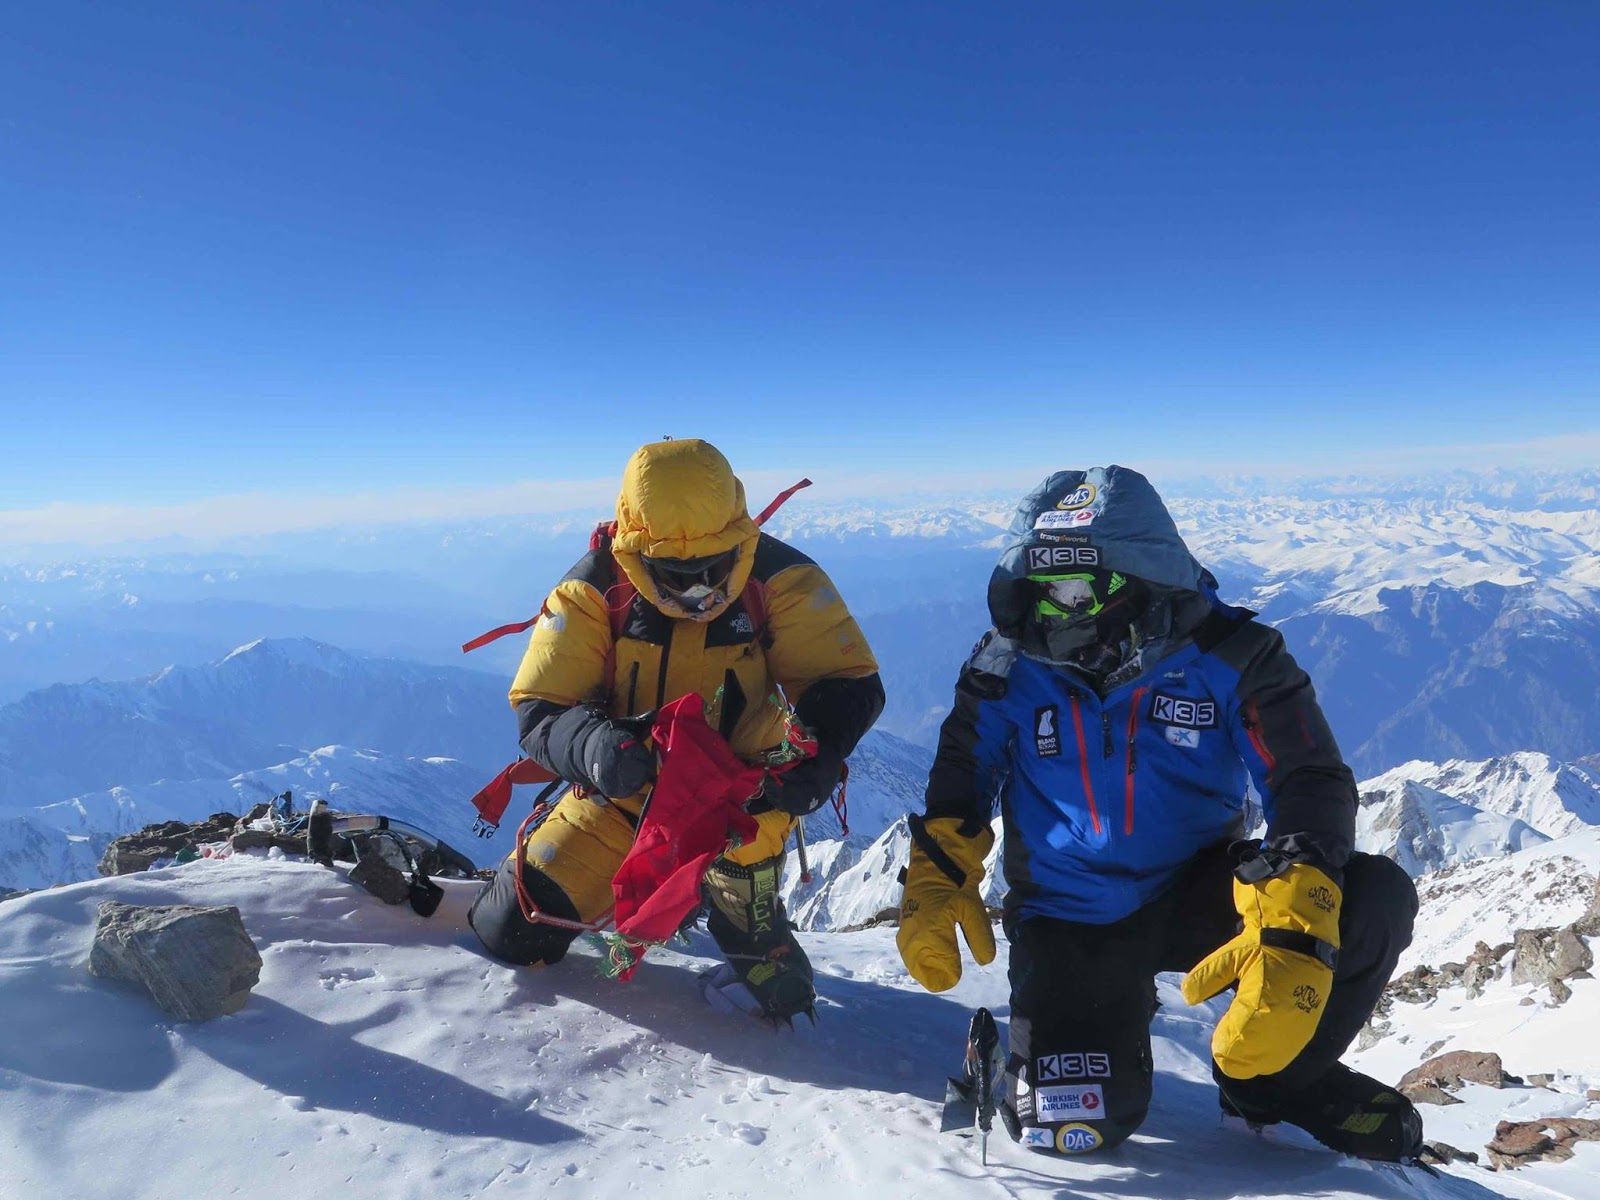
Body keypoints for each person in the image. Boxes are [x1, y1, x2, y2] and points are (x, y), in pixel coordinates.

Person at [896, 466, 1422, 1161]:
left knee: (1369, 900)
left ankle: (1273, 1086)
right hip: (1066, 911)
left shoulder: (1234, 655)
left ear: (1141, 580)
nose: (1060, 612)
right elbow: (966, 767)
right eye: (1043, 594)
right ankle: (1103, 1018)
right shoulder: (1006, 667)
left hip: (1200, 889)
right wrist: (940, 871)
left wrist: (1299, 893)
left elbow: (1305, 773)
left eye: (1081, 589)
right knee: (1068, 1126)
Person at [469, 438, 884, 1022]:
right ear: (638, 553)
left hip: (743, 801)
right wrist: (593, 748)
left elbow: (844, 681)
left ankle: (733, 901)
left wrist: (815, 759)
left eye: (712, 569)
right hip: (627, 792)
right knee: (510, 930)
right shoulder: (593, 588)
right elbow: (540, 706)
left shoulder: (782, 579)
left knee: (780, 996)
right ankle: (652, 891)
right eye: (673, 573)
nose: (695, 591)